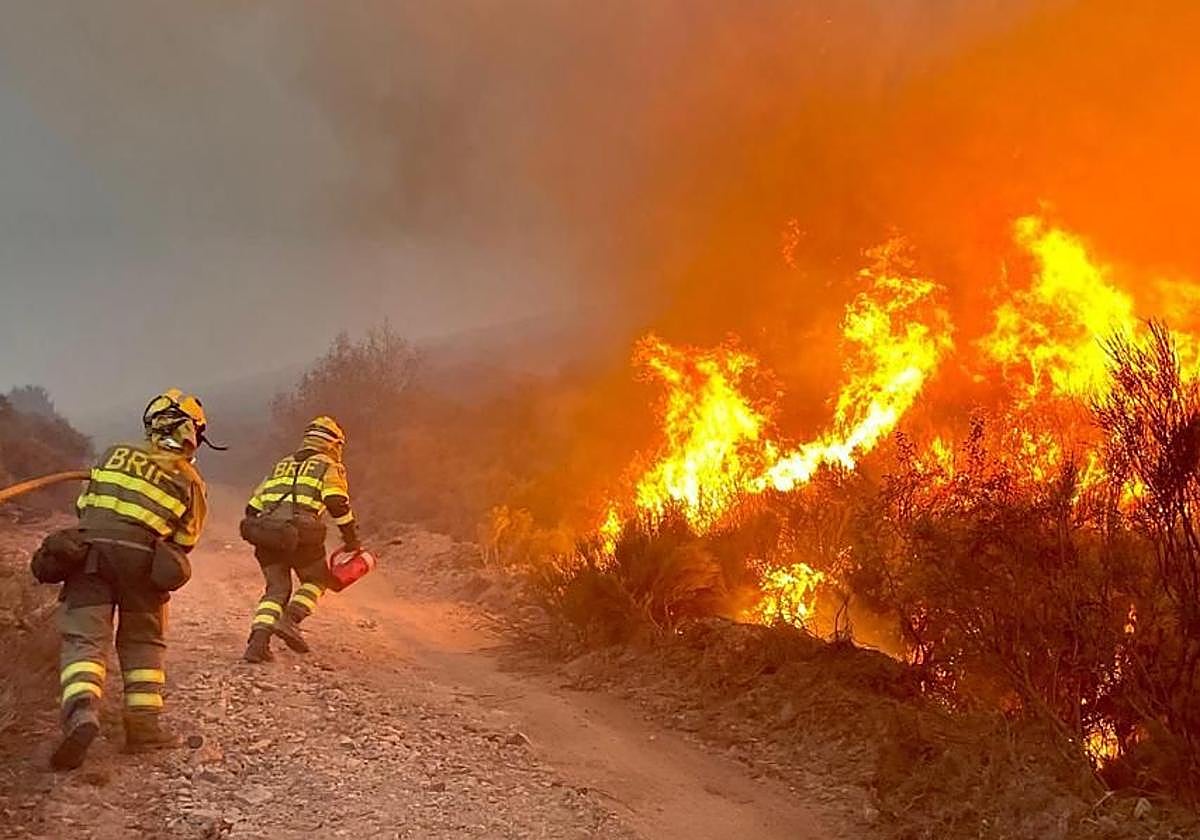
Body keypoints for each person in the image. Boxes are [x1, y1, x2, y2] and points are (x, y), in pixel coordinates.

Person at [50, 389, 210, 770]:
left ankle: (82, 712)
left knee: (84, 641)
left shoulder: (111, 454)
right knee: (143, 642)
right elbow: (186, 540)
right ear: (193, 433)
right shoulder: (190, 480)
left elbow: (84, 507)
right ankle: (142, 728)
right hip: (143, 562)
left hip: (89, 556)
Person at [240, 416, 358, 663]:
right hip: (302, 536)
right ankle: (290, 620)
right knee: (318, 580)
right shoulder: (328, 465)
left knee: (276, 590)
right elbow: (336, 502)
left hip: (268, 536)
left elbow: (252, 508)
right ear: (333, 443)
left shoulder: (282, 464)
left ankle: (257, 643)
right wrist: (351, 538)